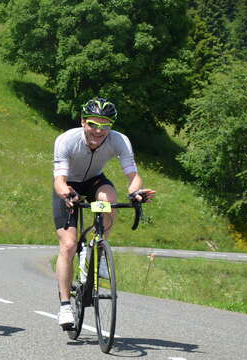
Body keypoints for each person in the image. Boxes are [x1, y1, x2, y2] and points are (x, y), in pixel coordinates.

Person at [52, 97, 156, 328]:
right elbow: (59, 180)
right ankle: (65, 305)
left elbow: (132, 175)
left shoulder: (119, 141)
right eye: (93, 124)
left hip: (94, 181)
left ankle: (97, 250)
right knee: (68, 245)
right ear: (83, 122)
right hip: (68, 185)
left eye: (105, 125)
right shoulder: (67, 140)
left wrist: (136, 191)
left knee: (108, 199)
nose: (99, 131)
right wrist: (67, 194)